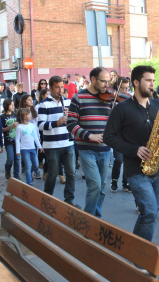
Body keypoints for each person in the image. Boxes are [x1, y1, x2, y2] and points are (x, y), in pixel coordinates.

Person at [103, 65, 159, 246]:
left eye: (153, 81)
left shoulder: (158, 104)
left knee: (152, 213)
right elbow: (108, 137)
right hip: (136, 169)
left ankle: (144, 252)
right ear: (136, 82)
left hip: (158, 168)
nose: (152, 84)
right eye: (148, 81)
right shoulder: (122, 109)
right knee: (149, 212)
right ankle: (138, 255)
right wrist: (135, 150)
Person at [67, 67, 112, 218]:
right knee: (95, 185)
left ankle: (96, 218)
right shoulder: (78, 97)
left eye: (108, 81)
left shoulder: (110, 99)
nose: (107, 84)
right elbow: (71, 124)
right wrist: (89, 136)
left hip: (105, 149)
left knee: (103, 187)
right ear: (93, 79)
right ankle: (88, 220)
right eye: (103, 81)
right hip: (86, 148)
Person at [38, 75, 80, 208]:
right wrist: (57, 123)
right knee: (53, 173)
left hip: (68, 143)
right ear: (50, 88)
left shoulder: (68, 102)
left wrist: (71, 118)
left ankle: (69, 200)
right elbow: (40, 125)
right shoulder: (44, 105)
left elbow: (75, 122)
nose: (60, 90)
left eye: (62, 87)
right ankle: (47, 198)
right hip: (52, 145)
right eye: (57, 87)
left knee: (71, 173)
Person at [110, 77, 132, 193]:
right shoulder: (113, 100)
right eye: (123, 88)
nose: (125, 91)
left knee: (127, 160)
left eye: (127, 88)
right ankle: (114, 181)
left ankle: (125, 183)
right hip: (117, 134)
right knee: (118, 159)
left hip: (127, 133)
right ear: (118, 87)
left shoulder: (130, 98)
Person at [16, 108, 43, 186]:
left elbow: (35, 137)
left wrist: (39, 146)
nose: (30, 115)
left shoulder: (31, 125)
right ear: (24, 116)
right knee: (28, 165)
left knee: (36, 164)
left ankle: (30, 175)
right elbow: (17, 139)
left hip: (32, 148)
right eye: (29, 114)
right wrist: (18, 150)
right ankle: (29, 182)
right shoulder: (19, 127)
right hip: (24, 149)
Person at [1, 99, 20, 180]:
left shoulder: (16, 115)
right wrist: (11, 127)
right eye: (11, 105)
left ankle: (16, 175)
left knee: (17, 159)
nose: (13, 106)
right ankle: (7, 170)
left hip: (17, 141)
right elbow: (1, 129)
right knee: (10, 159)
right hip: (8, 141)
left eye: (13, 104)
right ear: (6, 106)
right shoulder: (2, 117)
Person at [36, 89, 49, 178]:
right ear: (42, 96)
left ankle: (60, 174)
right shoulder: (39, 106)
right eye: (47, 94)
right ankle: (44, 169)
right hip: (43, 129)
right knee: (44, 149)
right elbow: (37, 121)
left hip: (51, 129)